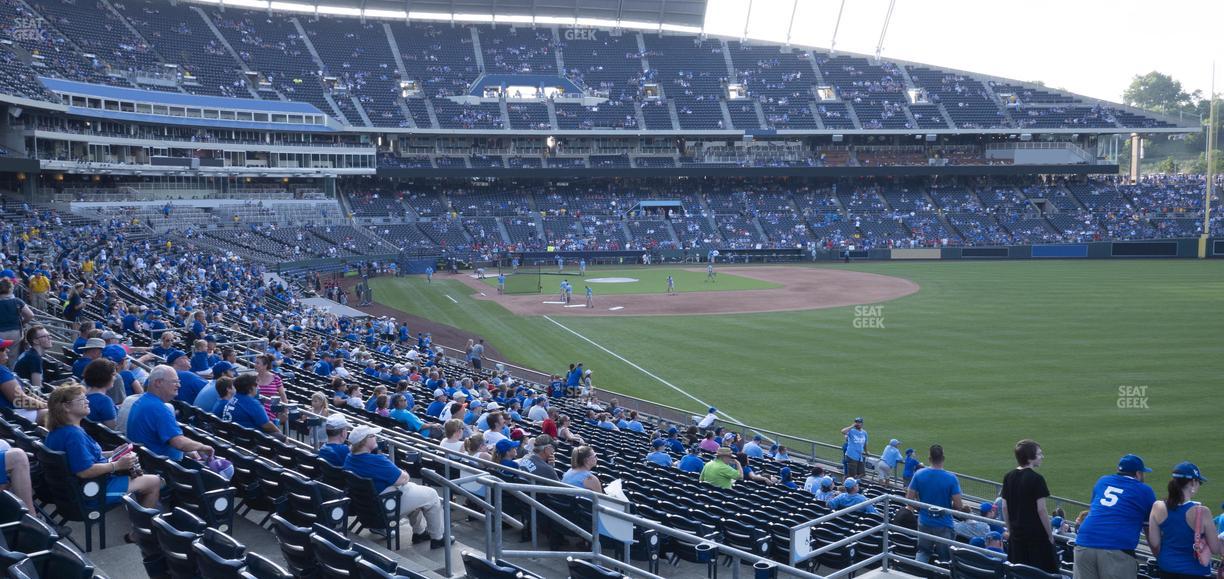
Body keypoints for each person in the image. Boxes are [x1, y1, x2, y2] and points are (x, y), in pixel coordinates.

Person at [44, 384, 162, 508]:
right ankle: (144, 525)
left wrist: (112, 453)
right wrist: (117, 465)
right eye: (81, 399)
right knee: (154, 482)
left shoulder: (59, 431)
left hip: (73, 492)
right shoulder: (73, 435)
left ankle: (141, 515)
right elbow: (84, 471)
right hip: (90, 494)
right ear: (66, 406)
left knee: (142, 480)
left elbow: (79, 457)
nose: (87, 401)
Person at [342, 426, 445, 548]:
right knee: (432, 495)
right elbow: (402, 479)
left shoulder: (349, 458)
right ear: (364, 441)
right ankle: (438, 538)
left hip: (367, 509)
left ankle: (420, 533)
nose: (376, 437)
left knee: (416, 492)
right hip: (385, 509)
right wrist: (404, 473)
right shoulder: (376, 460)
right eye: (373, 436)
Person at [1073, 454, 1158, 579]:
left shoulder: (1103, 481)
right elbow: (1149, 530)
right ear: (1138, 473)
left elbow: (1095, 510)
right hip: (1115, 548)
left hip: (1083, 543)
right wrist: (1159, 556)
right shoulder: (1144, 490)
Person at [1148, 462, 1222, 578]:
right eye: (1199, 483)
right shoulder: (1203, 512)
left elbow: (1154, 543)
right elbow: (1215, 548)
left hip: (1166, 569)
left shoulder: (1157, 506)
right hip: (1195, 572)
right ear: (1193, 482)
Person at [126, 365, 214, 461]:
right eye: (174, 382)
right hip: (161, 468)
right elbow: (179, 443)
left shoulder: (140, 401)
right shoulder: (158, 409)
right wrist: (202, 447)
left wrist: (188, 451)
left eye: (178, 382)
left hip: (149, 461)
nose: (179, 385)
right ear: (158, 383)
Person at [1001, 439, 1058, 573]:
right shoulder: (1037, 479)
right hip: (1036, 537)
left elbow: (1004, 507)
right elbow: (1041, 510)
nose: (1042, 457)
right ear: (1030, 458)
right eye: (1039, 454)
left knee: (1019, 573)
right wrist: (1050, 535)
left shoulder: (1008, 476)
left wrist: (1011, 529)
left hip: (1017, 535)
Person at [907, 444, 963, 564]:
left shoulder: (919, 474)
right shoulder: (951, 478)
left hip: (924, 522)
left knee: (923, 553)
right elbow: (959, 506)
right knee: (945, 558)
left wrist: (921, 508)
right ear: (943, 458)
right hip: (944, 524)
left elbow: (909, 500)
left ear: (929, 458)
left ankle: (918, 574)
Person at [221, 374, 284, 438]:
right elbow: (266, 424)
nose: (258, 387)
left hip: (234, 436)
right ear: (250, 389)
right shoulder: (252, 403)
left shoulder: (233, 398)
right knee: (281, 438)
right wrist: (280, 433)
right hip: (247, 439)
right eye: (256, 385)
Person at [0, 340, 45, 423]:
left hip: (8, 415)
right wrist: (48, 406)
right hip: (12, 416)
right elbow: (21, 401)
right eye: (2, 349)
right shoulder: (1, 371)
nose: (7, 350)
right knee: (62, 413)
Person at [0, 278, 34, 358]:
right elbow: (30, 315)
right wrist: (23, 322)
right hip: (15, 333)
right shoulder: (17, 301)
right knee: (14, 358)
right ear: (10, 288)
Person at [82, 359, 119, 428]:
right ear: (105, 377)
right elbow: (113, 427)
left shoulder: (83, 395)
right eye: (113, 375)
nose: (115, 378)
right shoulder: (104, 401)